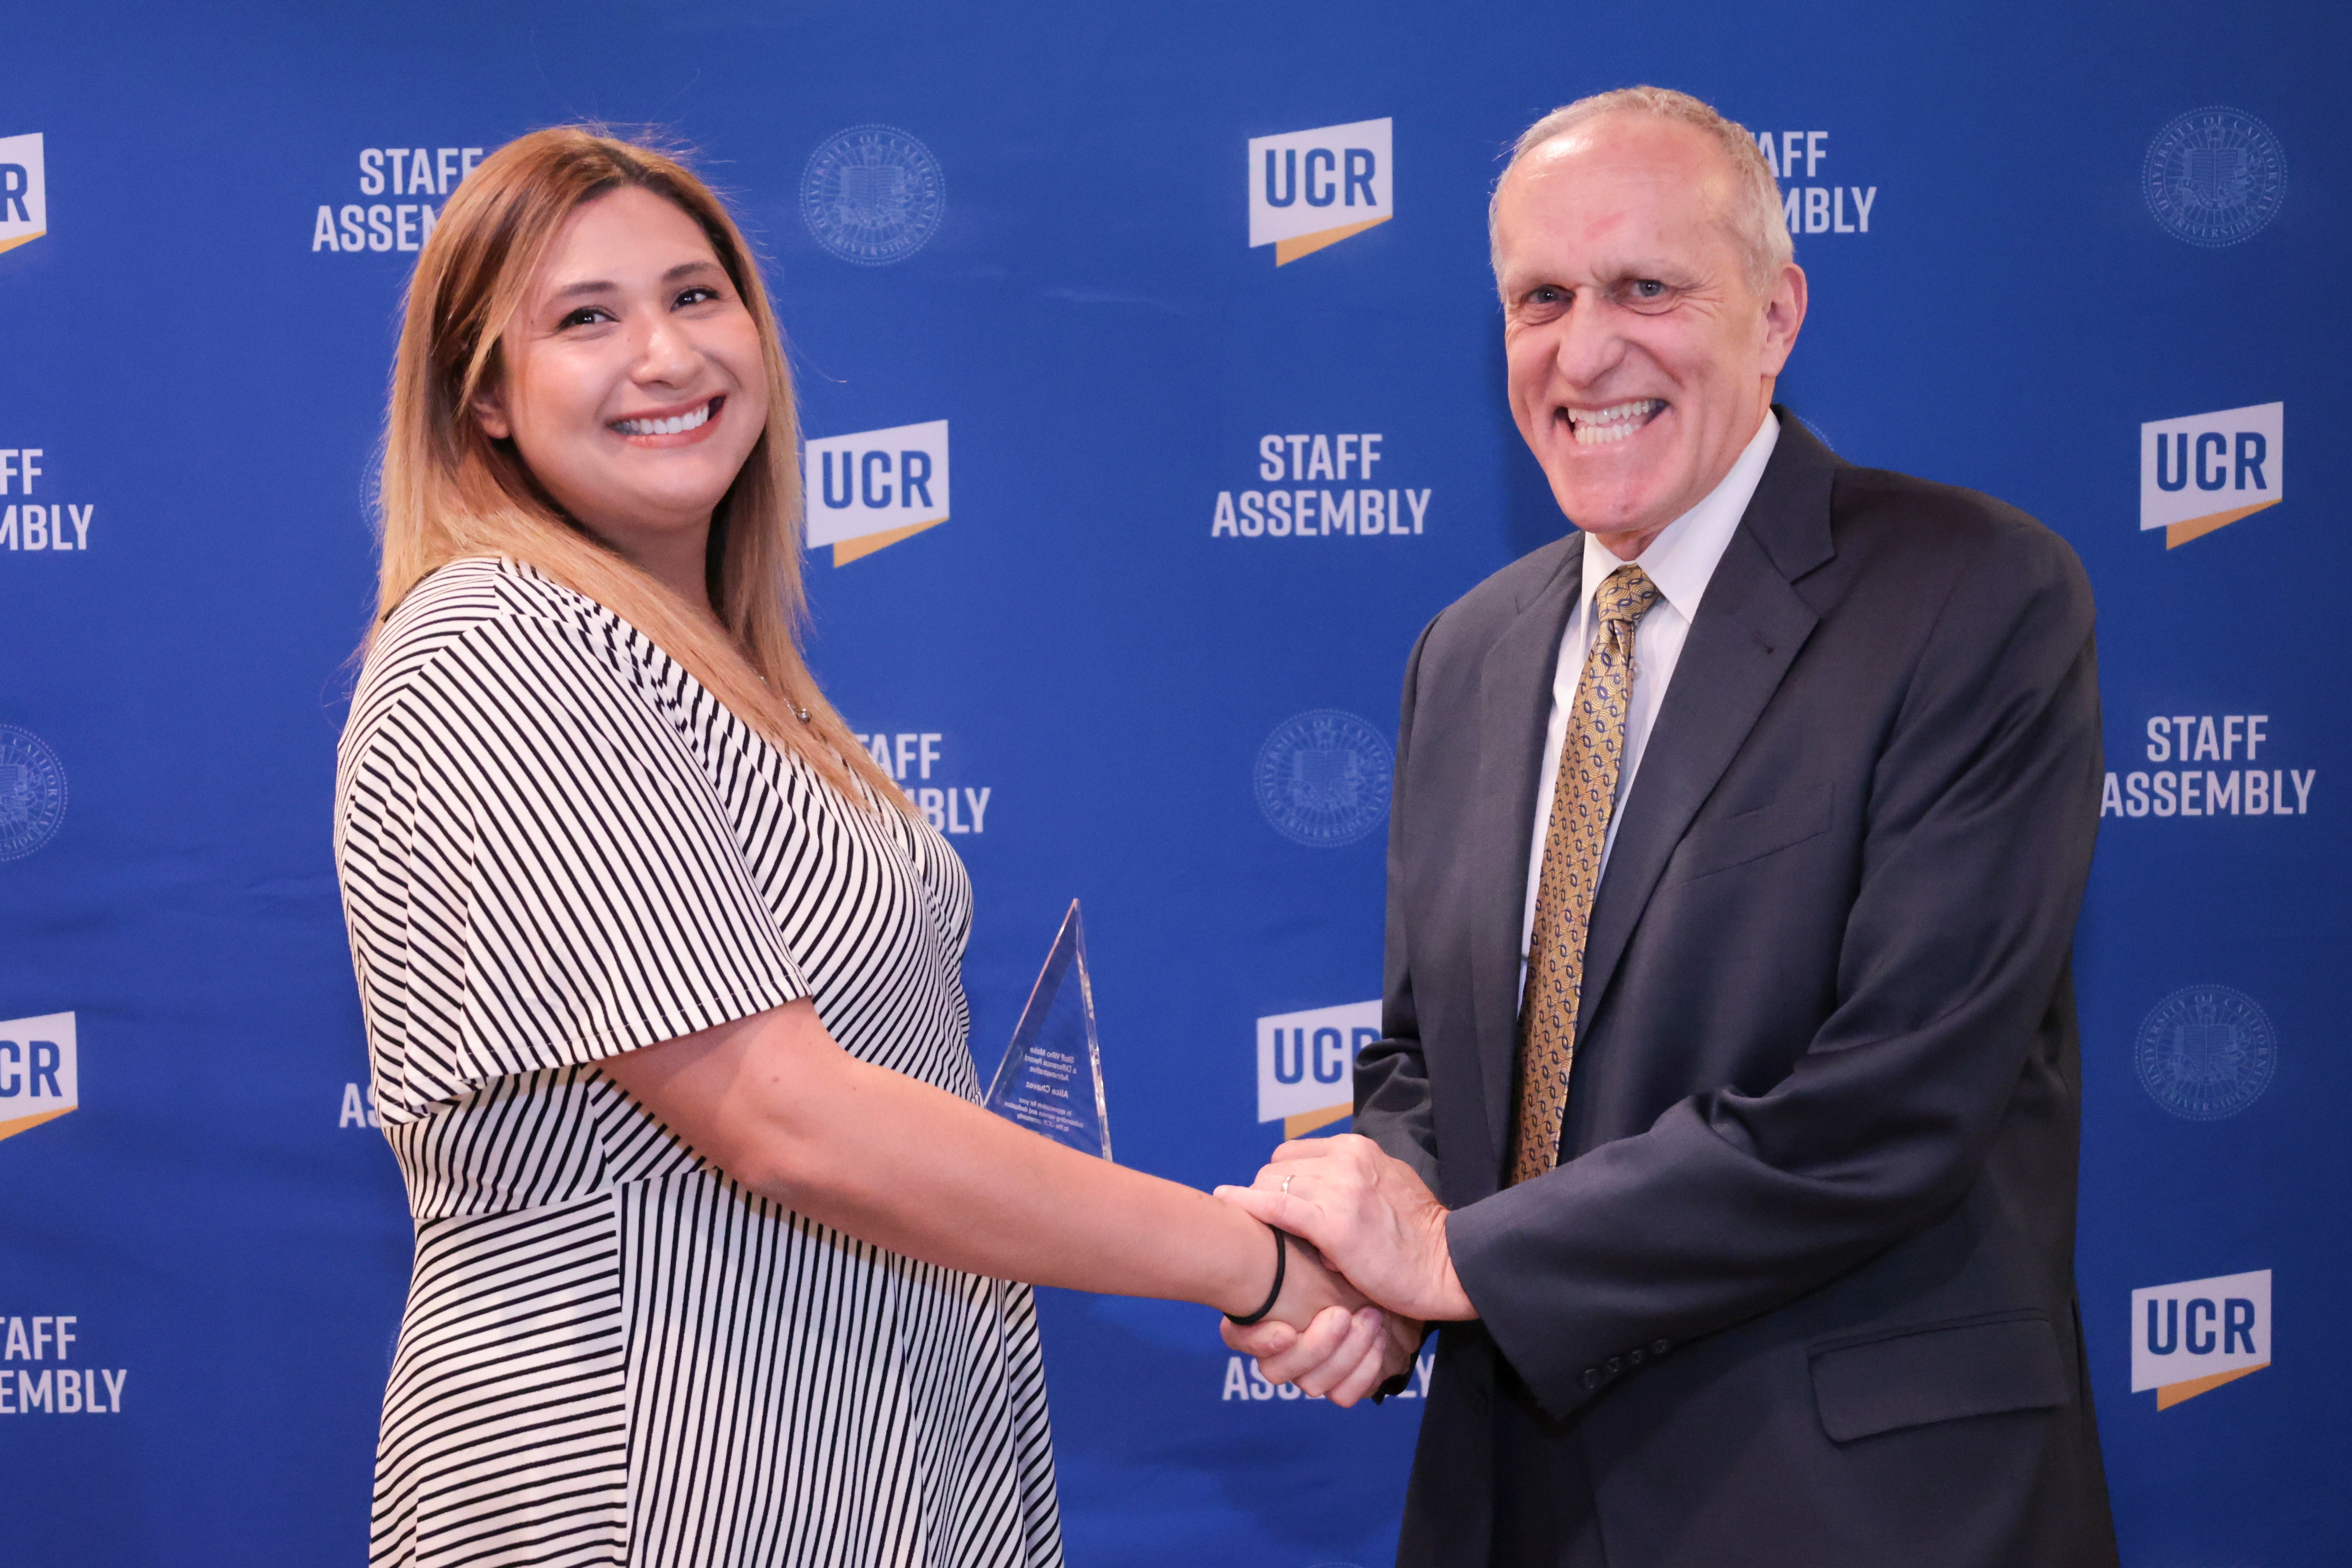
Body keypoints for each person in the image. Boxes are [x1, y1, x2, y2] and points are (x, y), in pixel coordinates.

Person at [333, 128, 1355, 1568]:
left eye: (697, 296)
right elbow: (785, 1118)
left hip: (865, 1469)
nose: (666, 354)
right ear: (484, 400)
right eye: (584, 318)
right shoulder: (496, 642)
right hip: (661, 1488)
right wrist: (1250, 1266)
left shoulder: (718, 670)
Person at [1218, 88, 2118, 1567]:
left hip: (1861, 1513)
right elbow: (1435, 1060)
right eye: (1541, 298)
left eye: (1648, 287)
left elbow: (1895, 1098)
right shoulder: (1471, 650)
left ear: (1776, 314)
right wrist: (1359, 1232)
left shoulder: (1976, 595)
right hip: (1512, 1501)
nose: (1585, 351)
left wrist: (1449, 1259)